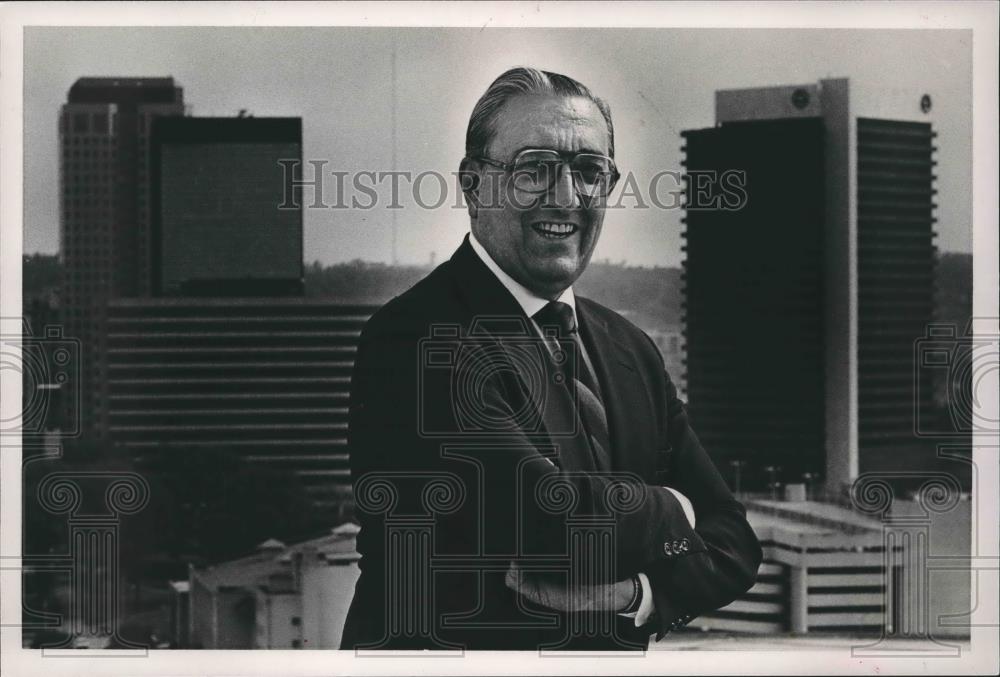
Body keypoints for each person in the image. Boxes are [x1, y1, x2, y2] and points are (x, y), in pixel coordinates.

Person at [341, 67, 761, 651]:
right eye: (533, 169)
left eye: (589, 173)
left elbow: (737, 545)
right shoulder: (417, 339)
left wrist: (635, 597)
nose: (565, 198)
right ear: (474, 185)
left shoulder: (631, 350)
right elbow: (553, 525)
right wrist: (674, 508)